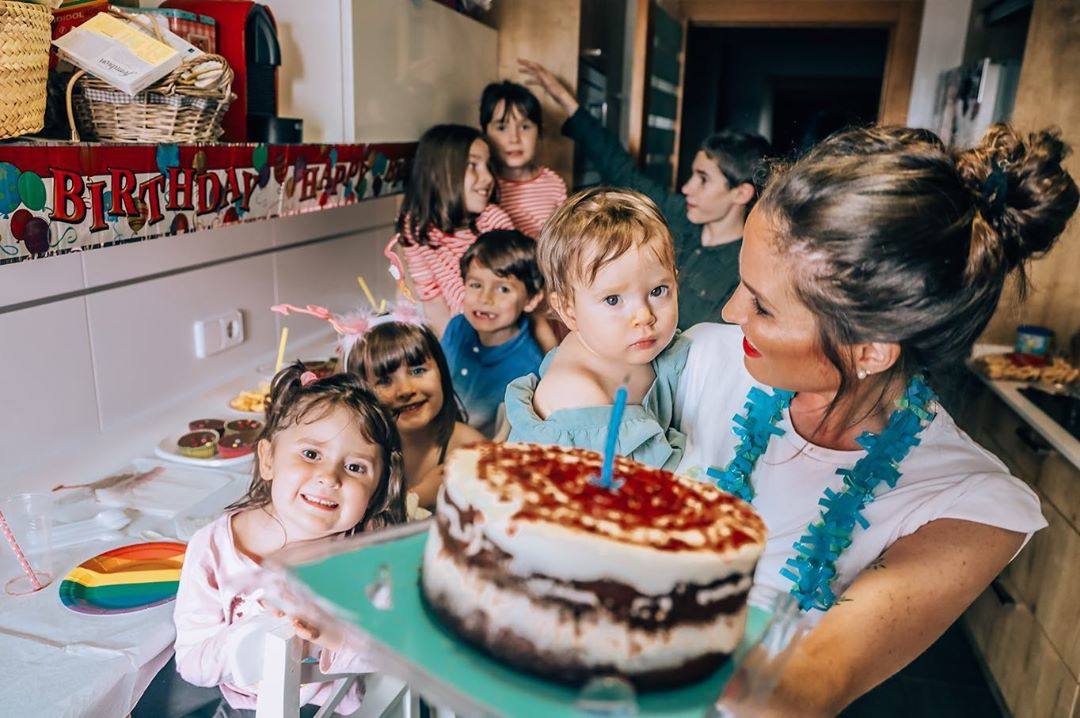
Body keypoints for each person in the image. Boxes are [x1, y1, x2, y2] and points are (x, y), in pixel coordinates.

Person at [674, 124, 1078, 715]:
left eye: (763, 305)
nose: (732, 311)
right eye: (743, 283)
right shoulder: (702, 356)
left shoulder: (969, 503)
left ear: (869, 350)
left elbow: (811, 683)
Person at [173, 364, 407, 715]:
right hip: (244, 708)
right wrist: (254, 636)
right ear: (268, 459)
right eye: (311, 454)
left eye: (355, 467)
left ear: (375, 490)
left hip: (333, 708)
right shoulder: (212, 548)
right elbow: (192, 662)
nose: (329, 477)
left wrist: (330, 633)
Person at [519, 58, 771, 330]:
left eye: (703, 179)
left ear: (741, 193)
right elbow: (620, 168)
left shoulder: (747, 265)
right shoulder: (676, 212)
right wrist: (566, 101)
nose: (687, 188)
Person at [505, 187, 688, 470]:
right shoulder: (578, 396)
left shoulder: (623, 344)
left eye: (658, 290)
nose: (644, 316)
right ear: (569, 311)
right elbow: (653, 481)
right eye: (613, 300)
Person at [385, 124, 514, 334]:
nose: (488, 177)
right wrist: (455, 349)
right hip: (464, 339)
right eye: (473, 165)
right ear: (440, 173)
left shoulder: (493, 220)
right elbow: (433, 302)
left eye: (488, 166)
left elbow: (513, 288)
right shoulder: (415, 230)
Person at [344, 321, 484, 510]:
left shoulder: (470, 447)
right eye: (384, 381)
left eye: (418, 371)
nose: (406, 390)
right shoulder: (363, 453)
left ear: (442, 373)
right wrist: (422, 494)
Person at [441, 230, 546, 437]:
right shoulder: (457, 327)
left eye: (503, 289)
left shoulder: (530, 369)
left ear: (531, 299)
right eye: (476, 285)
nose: (485, 298)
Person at [480, 80, 569, 238]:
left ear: (539, 132)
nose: (514, 138)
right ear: (484, 134)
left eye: (525, 127)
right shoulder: (483, 188)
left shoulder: (555, 185)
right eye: (502, 128)